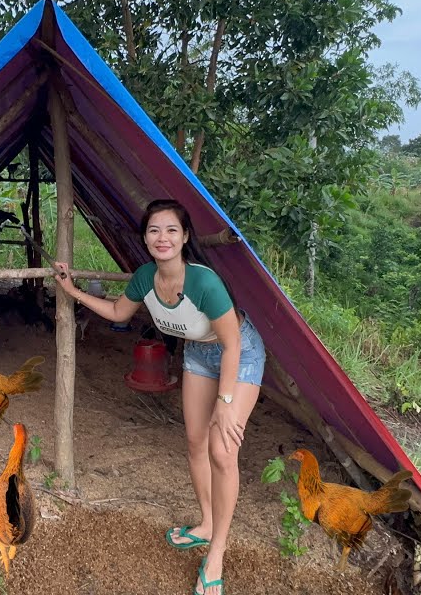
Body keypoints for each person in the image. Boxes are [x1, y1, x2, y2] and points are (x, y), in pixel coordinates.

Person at [52, 199, 266, 595]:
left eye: (171, 230)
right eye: (154, 230)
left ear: (185, 237)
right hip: (199, 352)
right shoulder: (146, 277)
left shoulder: (203, 282)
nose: (162, 237)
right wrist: (72, 292)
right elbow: (118, 312)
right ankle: (205, 523)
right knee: (194, 443)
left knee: (222, 451)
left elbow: (233, 345)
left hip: (239, 352)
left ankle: (216, 553)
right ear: (145, 238)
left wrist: (226, 402)